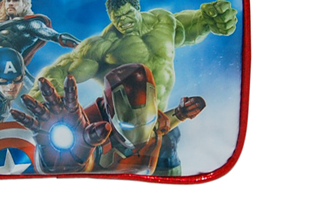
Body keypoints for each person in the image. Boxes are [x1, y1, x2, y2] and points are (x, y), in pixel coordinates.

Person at [28, 0, 237, 175]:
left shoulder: (163, 23)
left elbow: (193, 26)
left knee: (169, 158)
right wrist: (43, 91)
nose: (123, 21)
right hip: (120, 129)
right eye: (117, 18)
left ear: (138, 9)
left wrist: (212, 19)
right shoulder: (105, 46)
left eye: (128, 14)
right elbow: (63, 68)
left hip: (158, 123)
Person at [11, 66, 206, 175]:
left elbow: (161, 125)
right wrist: (66, 164)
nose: (140, 133)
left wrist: (181, 113)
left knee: (170, 137)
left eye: (148, 122)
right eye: (129, 125)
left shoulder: (154, 122)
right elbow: (77, 160)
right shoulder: (88, 131)